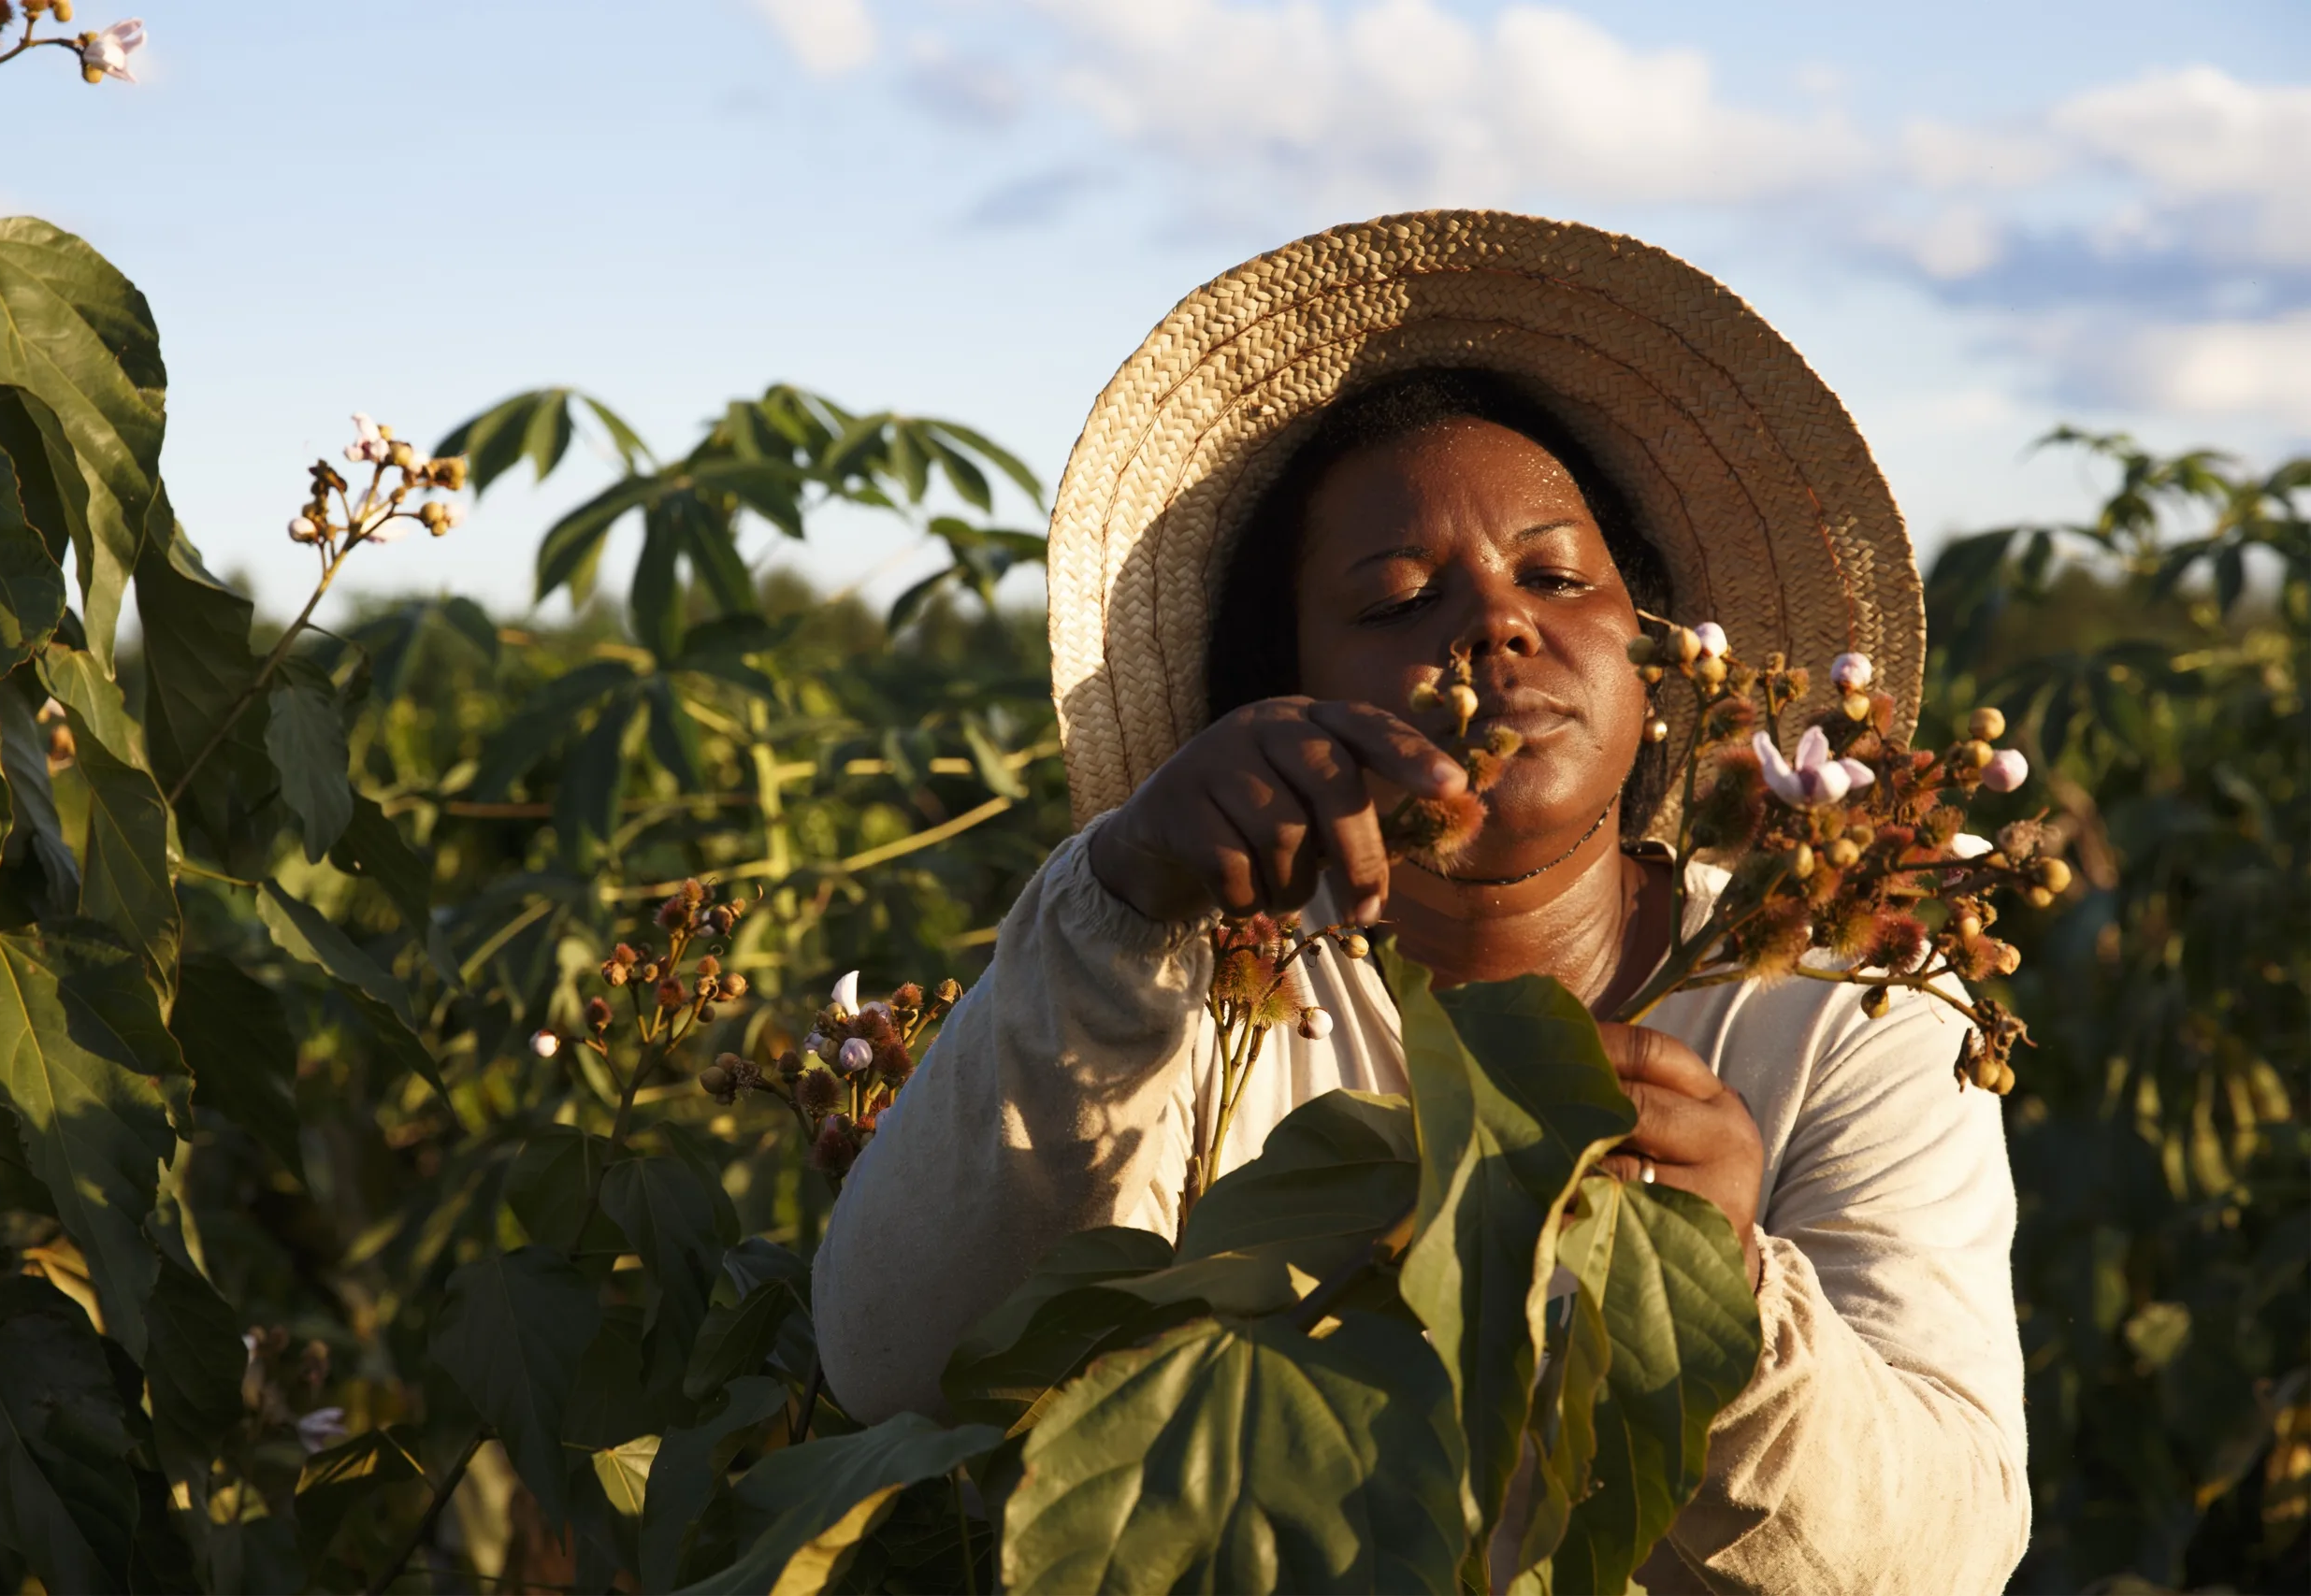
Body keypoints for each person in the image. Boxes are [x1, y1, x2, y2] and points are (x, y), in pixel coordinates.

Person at [814, 212, 2029, 1593]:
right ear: (1281, 695)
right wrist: (1122, 903)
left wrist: (1720, 1296)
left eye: (1557, 578)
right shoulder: (1188, 984)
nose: (1494, 627)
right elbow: (900, 1362)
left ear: (1663, 670)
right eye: (1395, 600)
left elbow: (1952, 1552)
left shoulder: (1844, 1004)